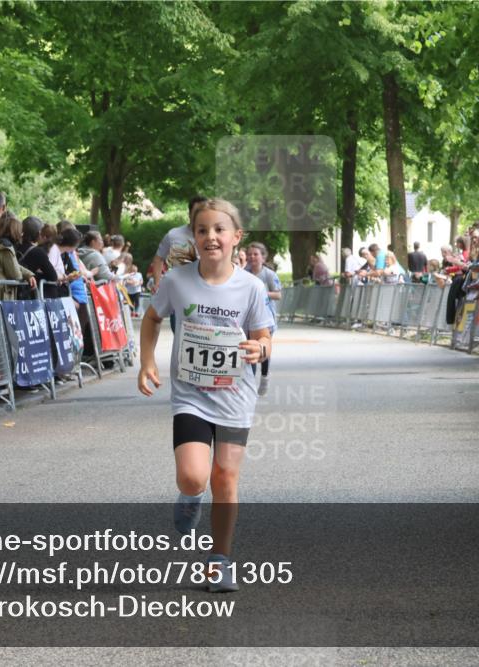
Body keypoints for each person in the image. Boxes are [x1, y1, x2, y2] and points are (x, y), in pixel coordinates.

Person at [138, 198, 272, 593]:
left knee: (226, 477)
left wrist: (259, 348)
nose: (210, 237)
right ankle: (190, 495)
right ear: (192, 237)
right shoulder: (177, 281)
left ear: (236, 237)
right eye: (202, 230)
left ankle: (220, 559)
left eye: (219, 230)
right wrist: (147, 362)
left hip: (235, 394)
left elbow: (265, 336)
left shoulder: (251, 287)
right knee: (196, 477)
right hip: (192, 394)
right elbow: (151, 318)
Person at [245, 242, 281, 396]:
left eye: (256, 254)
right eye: (250, 254)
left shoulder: (269, 275)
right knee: (247, 347)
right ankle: (249, 382)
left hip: (266, 317)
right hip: (247, 317)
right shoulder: (243, 272)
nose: (252, 257)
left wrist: (261, 293)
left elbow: (278, 294)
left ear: (263, 257)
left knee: (262, 349)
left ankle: (264, 377)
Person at [150, 196, 206, 291]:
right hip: (178, 288)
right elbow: (158, 258)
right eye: (196, 212)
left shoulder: (213, 237)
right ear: (189, 214)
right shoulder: (173, 234)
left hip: (204, 288)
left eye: (203, 212)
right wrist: (157, 283)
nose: (200, 215)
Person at [0, 211, 36, 295]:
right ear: (15, 231)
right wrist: (27, 276)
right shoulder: (6, 248)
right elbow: (16, 275)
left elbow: (13, 265)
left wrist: (28, 274)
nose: (21, 234)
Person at [17, 216, 61, 296]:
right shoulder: (38, 252)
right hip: (25, 294)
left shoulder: (14, 245)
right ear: (38, 233)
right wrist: (37, 275)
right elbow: (53, 276)